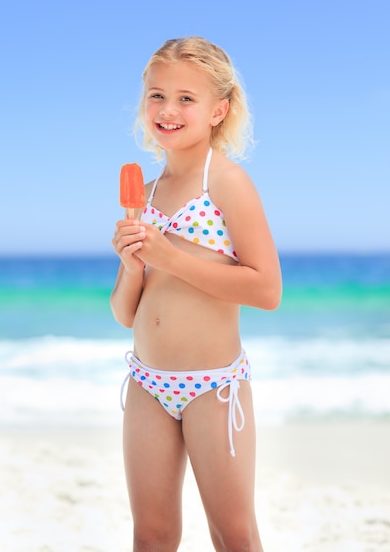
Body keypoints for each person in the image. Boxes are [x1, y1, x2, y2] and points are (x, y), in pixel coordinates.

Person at [111, 36, 282, 552]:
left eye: (187, 98)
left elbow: (267, 289)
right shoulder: (147, 191)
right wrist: (132, 262)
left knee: (233, 534)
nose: (168, 109)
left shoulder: (227, 183)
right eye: (157, 95)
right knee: (153, 534)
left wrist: (171, 258)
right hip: (147, 382)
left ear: (218, 111)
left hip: (213, 386)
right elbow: (125, 313)